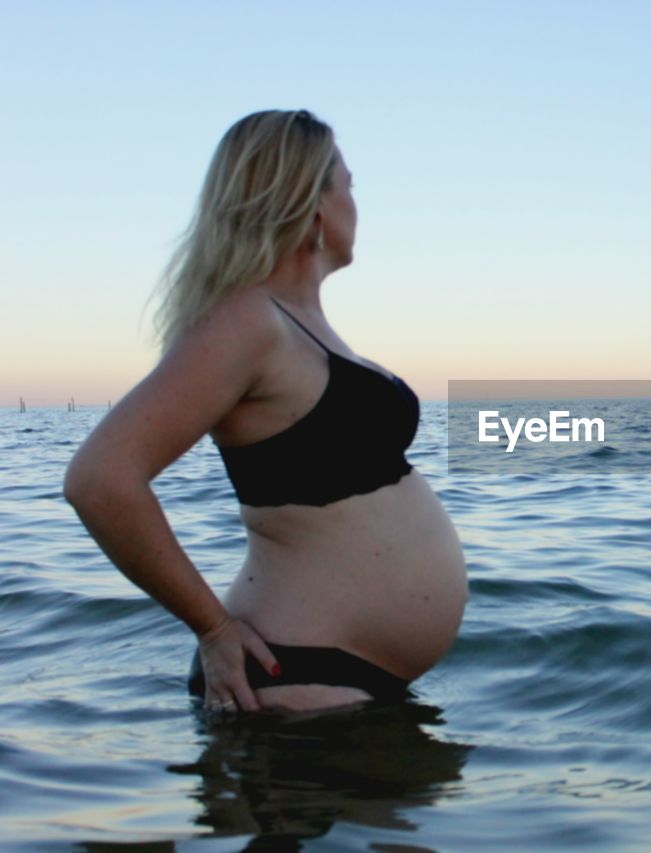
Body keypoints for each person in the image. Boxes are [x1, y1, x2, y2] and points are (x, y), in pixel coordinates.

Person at [63, 109, 468, 714]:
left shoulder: (299, 325)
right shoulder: (247, 321)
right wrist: (214, 629)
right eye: (348, 185)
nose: (357, 203)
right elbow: (100, 480)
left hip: (336, 681)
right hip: (291, 674)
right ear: (311, 205)